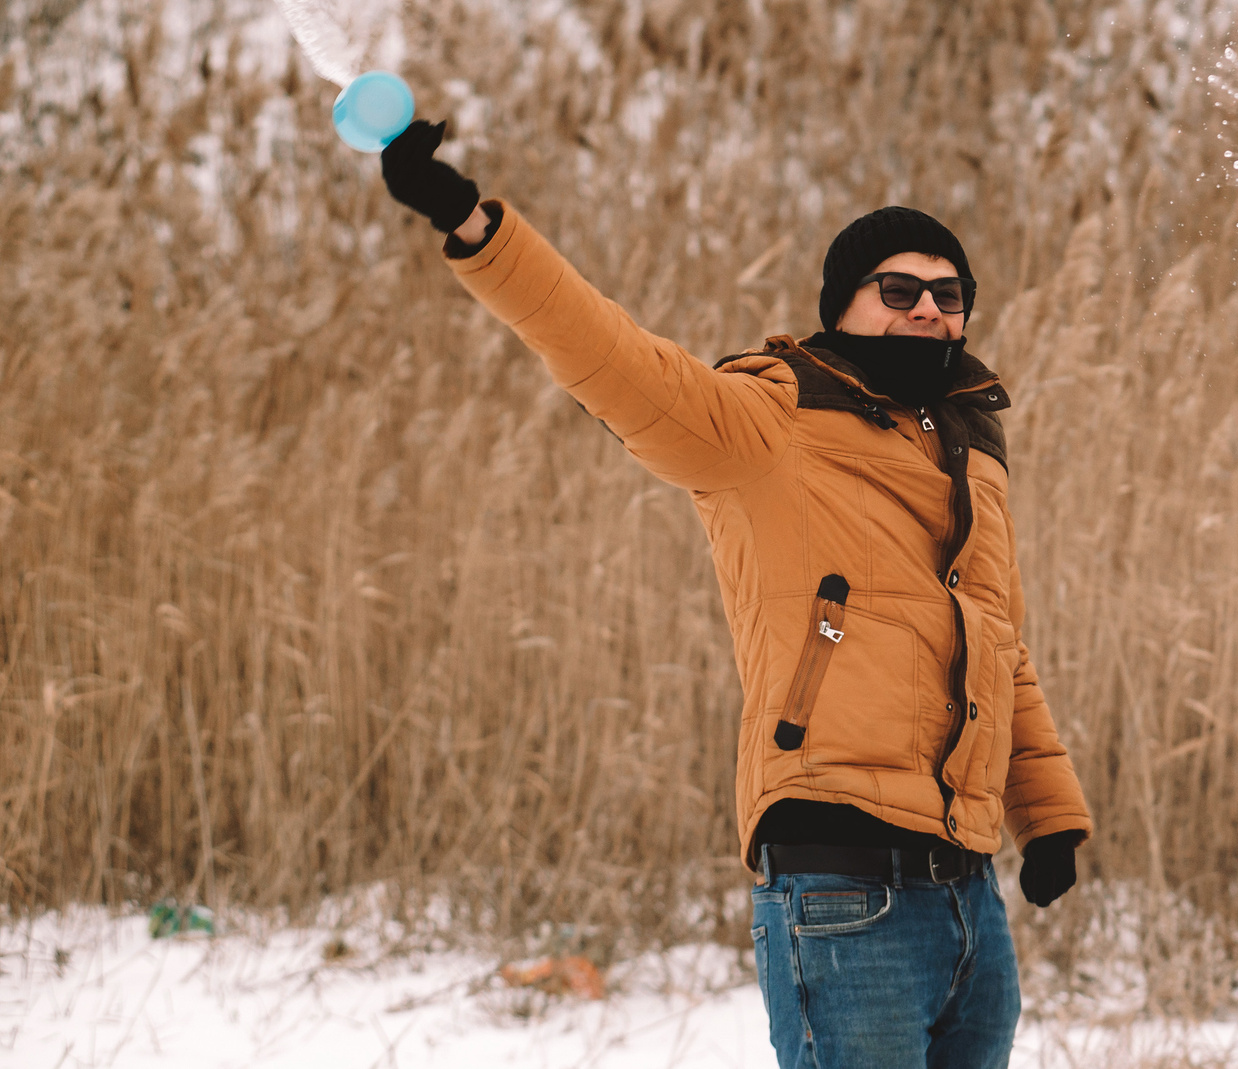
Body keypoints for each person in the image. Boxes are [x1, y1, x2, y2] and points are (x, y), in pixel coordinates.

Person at [377, 118, 1091, 1069]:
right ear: (843, 305)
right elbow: (615, 359)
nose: (929, 309)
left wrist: (1048, 815)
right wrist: (477, 228)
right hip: (841, 882)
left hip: (966, 889)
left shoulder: (972, 453)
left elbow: (997, 644)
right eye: (900, 289)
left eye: (949, 294)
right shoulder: (769, 419)